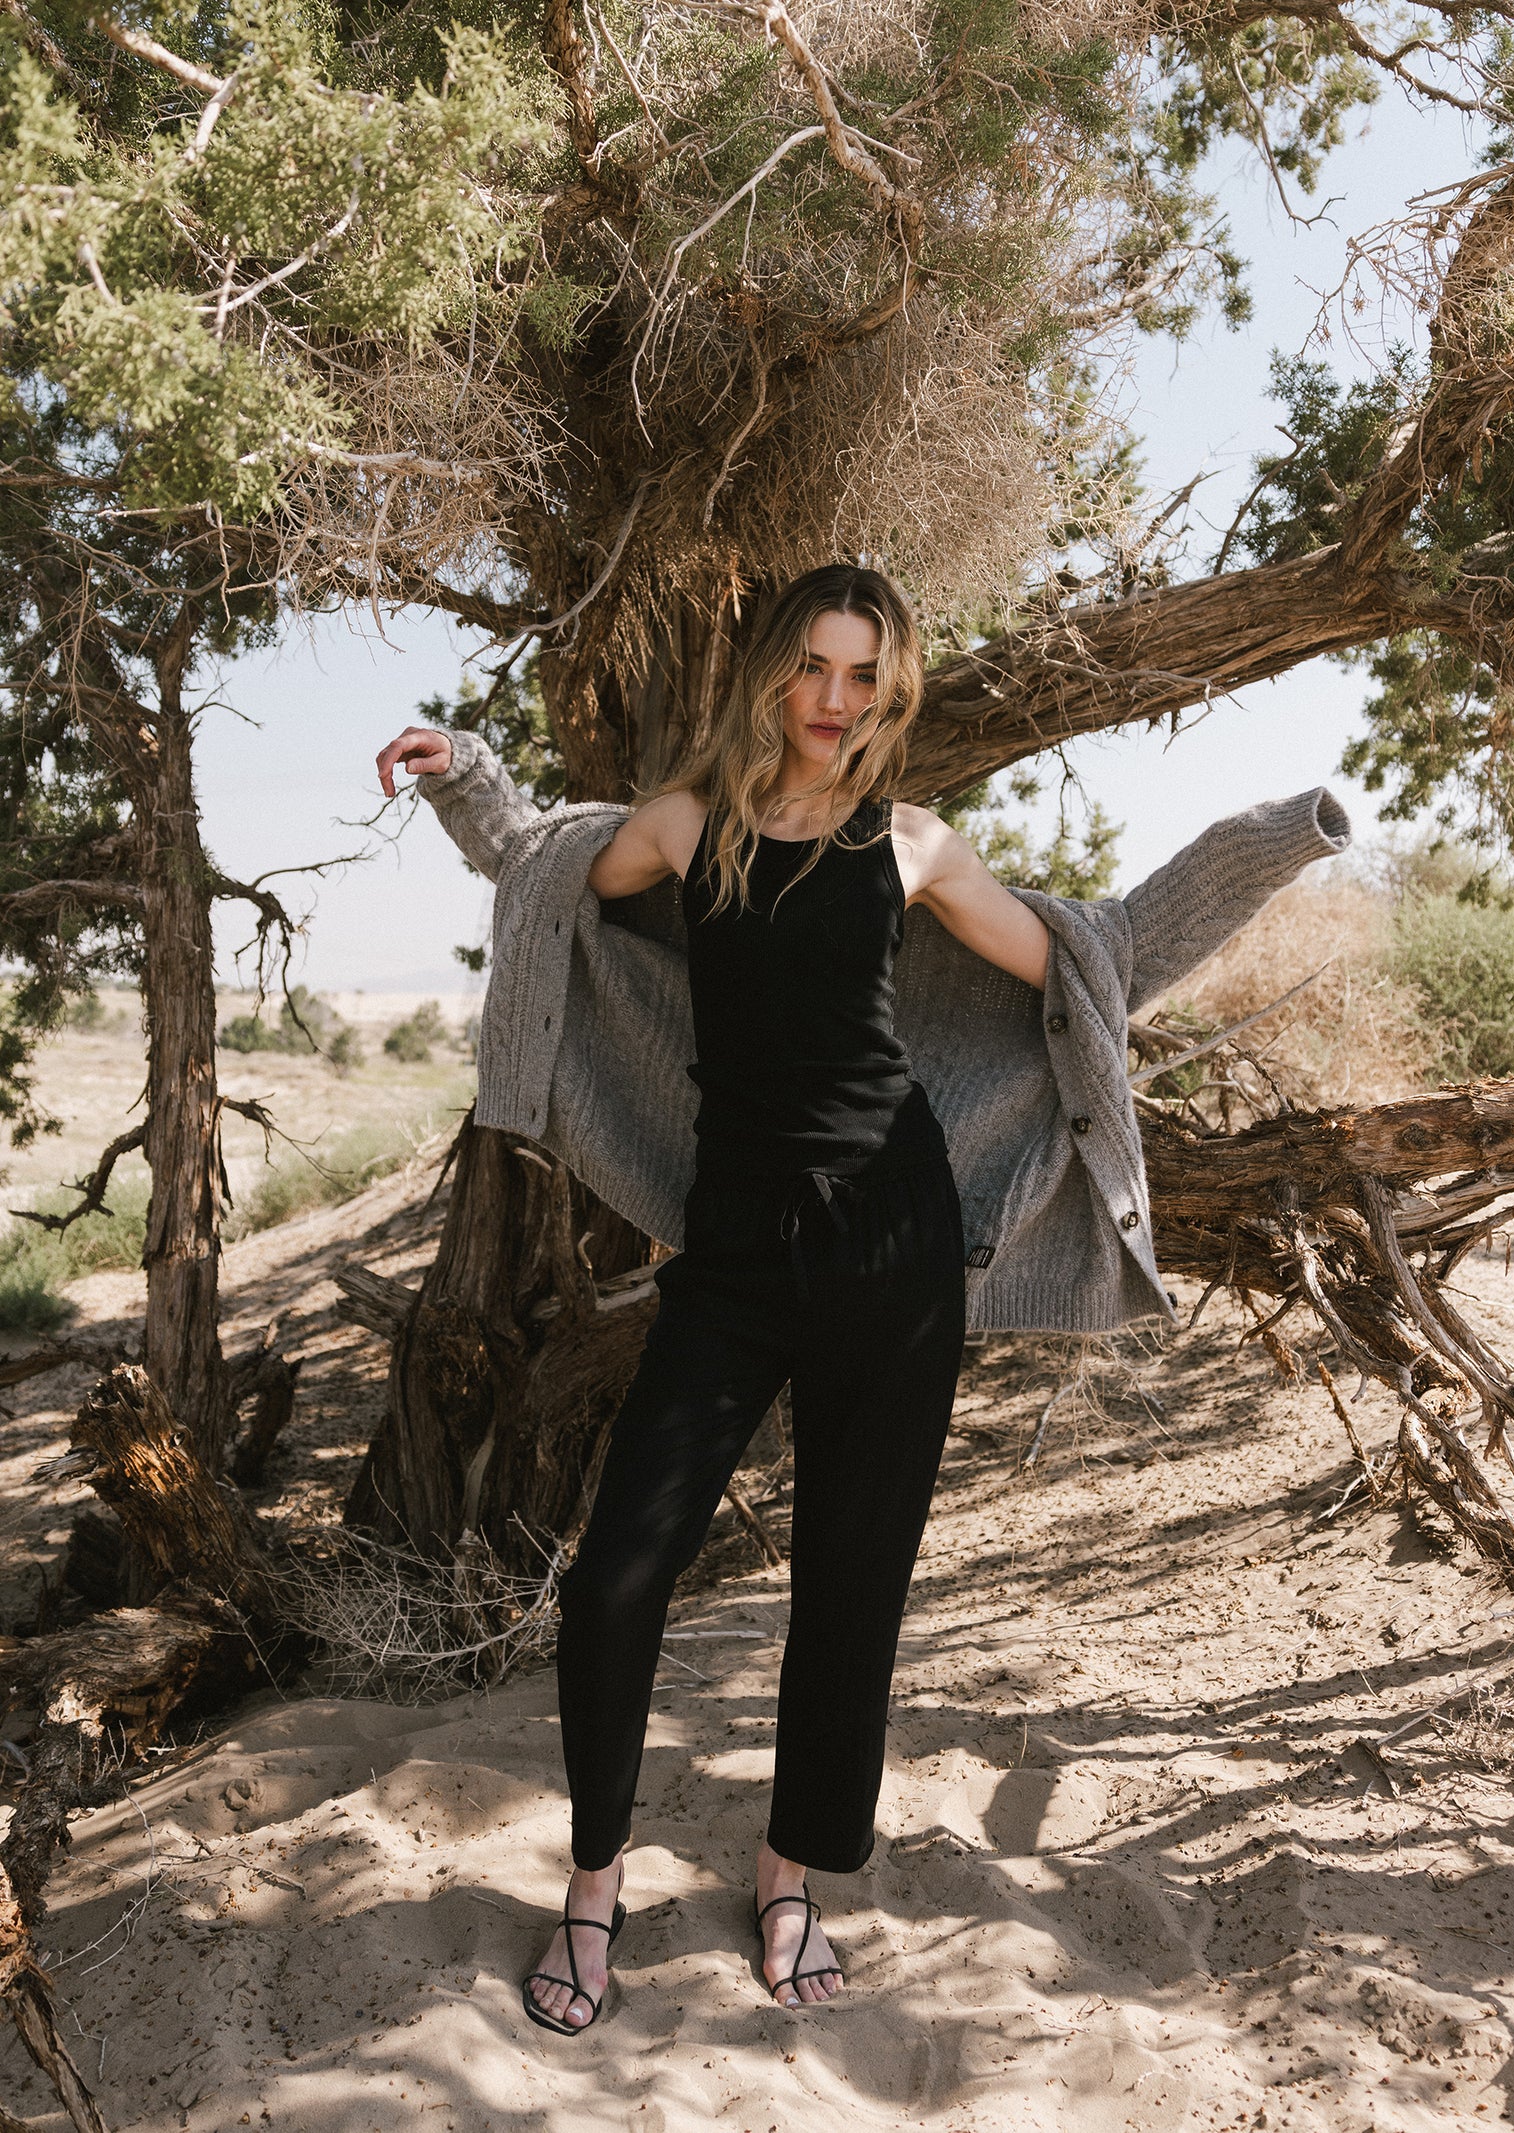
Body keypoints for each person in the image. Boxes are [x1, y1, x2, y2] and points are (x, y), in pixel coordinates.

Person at [376, 563, 1353, 2033]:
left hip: (896, 1246)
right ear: (774, 668)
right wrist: (469, 780)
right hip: (734, 1251)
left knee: (851, 1587)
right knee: (616, 1575)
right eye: (817, 670)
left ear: (890, 695)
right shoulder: (687, 825)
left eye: (867, 681)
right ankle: (594, 1885)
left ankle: (791, 1871)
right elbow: (541, 867)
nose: (837, 704)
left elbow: (1100, 959)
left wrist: (1278, 843)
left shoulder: (910, 845)